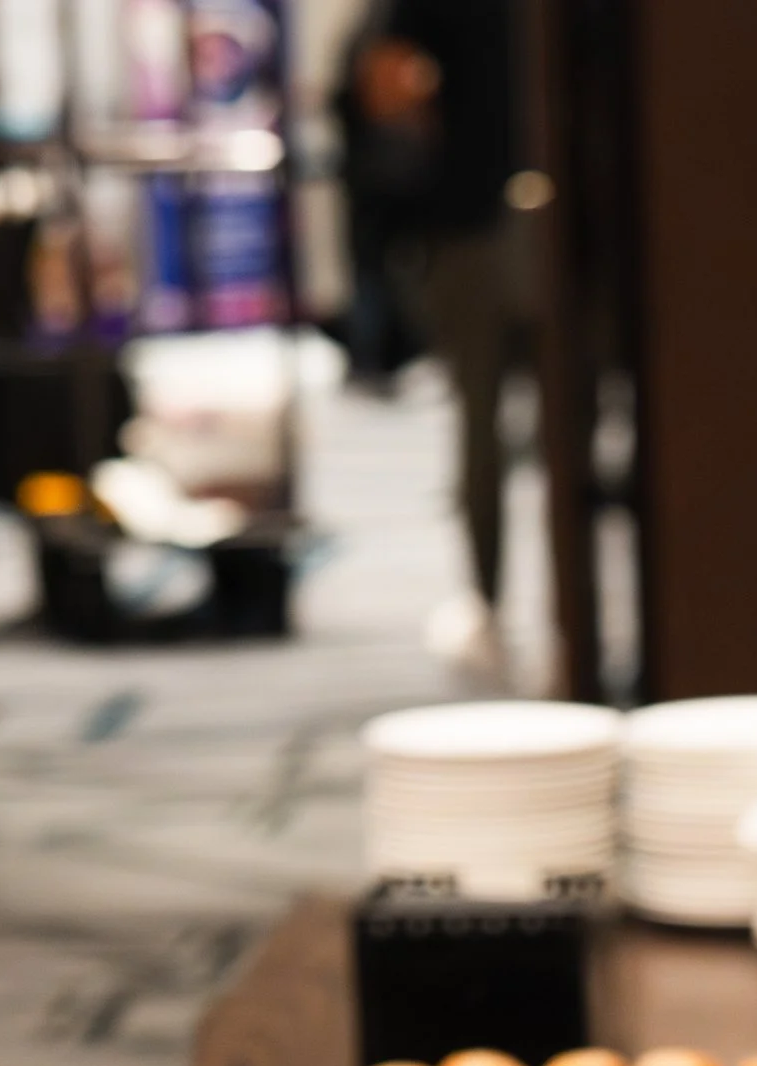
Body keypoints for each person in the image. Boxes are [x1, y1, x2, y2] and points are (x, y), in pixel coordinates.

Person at [338, 0, 527, 634]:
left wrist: (437, 155)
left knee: (481, 419)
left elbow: (386, 81)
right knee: (554, 421)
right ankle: (559, 620)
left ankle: (490, 605)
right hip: (539, 218)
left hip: (470, 225)